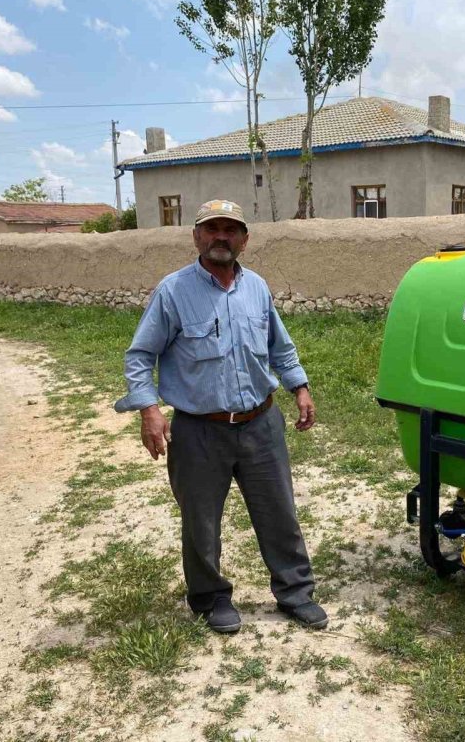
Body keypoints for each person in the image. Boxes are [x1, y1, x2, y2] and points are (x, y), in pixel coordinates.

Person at [114, 199, 326, 633]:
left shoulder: (258, 288)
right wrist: (150, 410)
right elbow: (140, 356)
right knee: (201, 521)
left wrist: (299, 387)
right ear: (196, 237)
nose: (221, 237)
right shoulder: (173, 291)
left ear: (244, 240)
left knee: (279, 513)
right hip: (199, 431)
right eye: (211, 228)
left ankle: (295, 592)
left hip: (262, 424)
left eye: (231, 229)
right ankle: (210, 599)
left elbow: (279, 347)